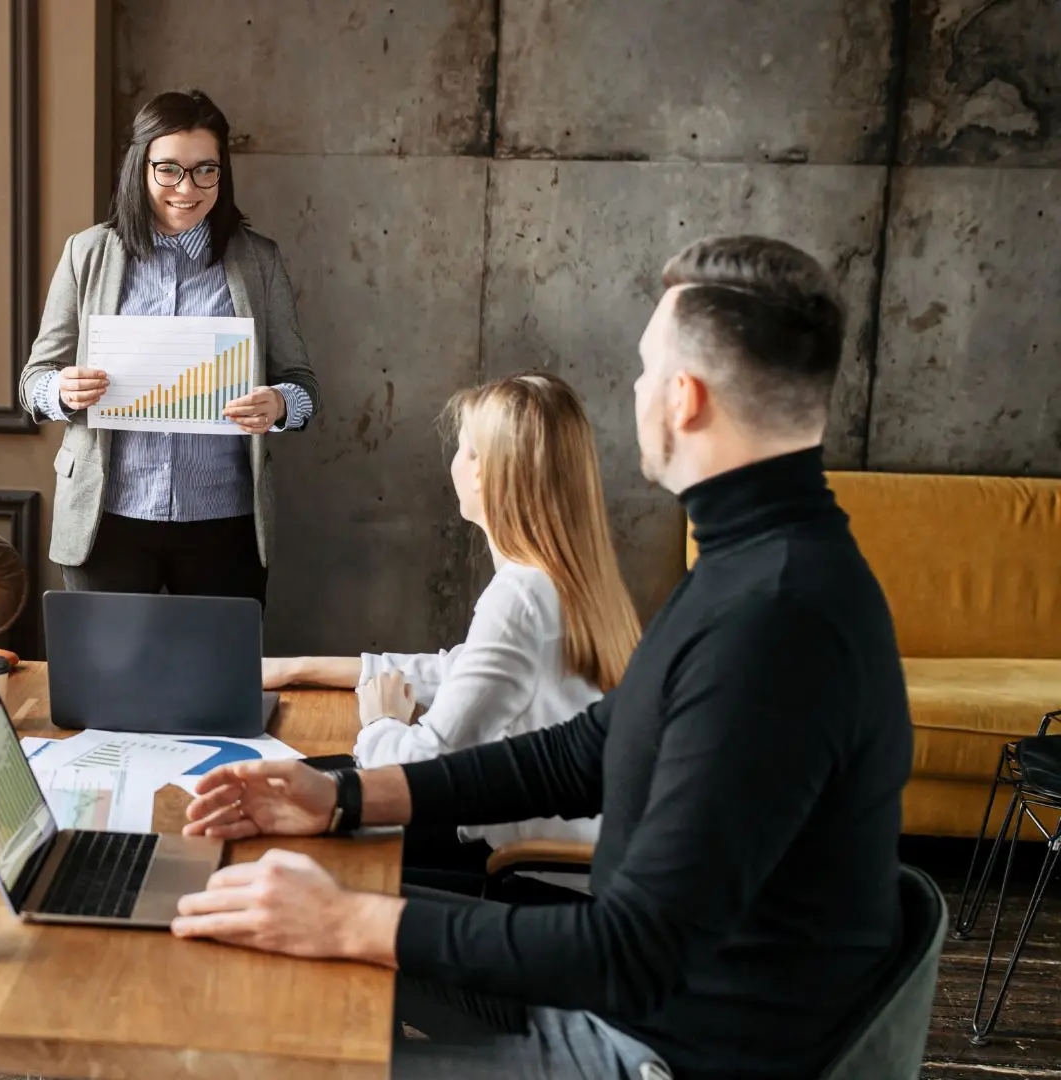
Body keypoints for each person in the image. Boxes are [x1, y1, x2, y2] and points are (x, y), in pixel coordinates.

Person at [168, 237, 913, 1080]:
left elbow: (632, 952)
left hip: (646, 1050)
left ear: (684, 399)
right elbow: (583, 753)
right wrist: (341, 796)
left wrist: (349, 921)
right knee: (257, 936)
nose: (634, 392)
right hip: (620, 1007)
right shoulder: (756, 567)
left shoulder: (775, 620)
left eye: (645, 371)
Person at [264, 373, 640, 880]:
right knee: (289, 788)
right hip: (563, 854)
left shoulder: (521, 597)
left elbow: (424, 768)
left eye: (463, 449)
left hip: (521, 868)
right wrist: (298, 669)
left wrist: (380, 723)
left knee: (284, 824)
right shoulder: (569, 576)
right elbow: (458, 672)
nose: (454, 464)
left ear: (486, 472)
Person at [19, 88, 319, 604]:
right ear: (140, 169)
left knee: (217, 658)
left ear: (222, 173)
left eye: (206, 170)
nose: (187, 187)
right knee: (106, 659)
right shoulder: (87, 253)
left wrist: (280, 404)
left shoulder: (258, 261)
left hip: (223, 519)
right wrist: (61, 390)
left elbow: (303, 385)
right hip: (107, 516)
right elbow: (33, 382)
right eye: (169, 170)